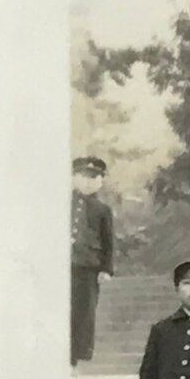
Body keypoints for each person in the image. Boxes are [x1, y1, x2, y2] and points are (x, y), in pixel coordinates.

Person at [69, 155, 116, 367]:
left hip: (88, 266)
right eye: (82, 176)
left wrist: (106, 268)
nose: (87, 182)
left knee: (84, 311)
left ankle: (76, 355)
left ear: (100, 181)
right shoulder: (62, 204)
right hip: (64, 265)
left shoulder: (102, 210)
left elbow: (108, 241)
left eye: (93, 177)